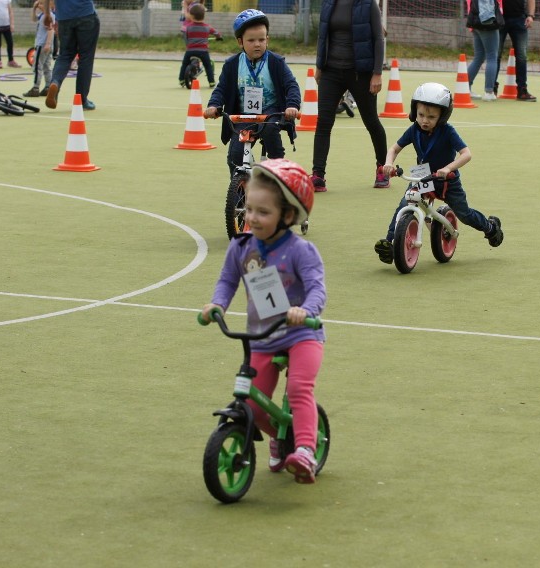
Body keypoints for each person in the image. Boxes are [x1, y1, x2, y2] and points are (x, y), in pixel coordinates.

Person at [200, 159, 326, 484]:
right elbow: (228, 280)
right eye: (249, 209)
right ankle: (279, 437)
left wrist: (307, 311)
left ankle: (307, 451)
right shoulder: (241, 247)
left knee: (299, 388)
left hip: (301, 335)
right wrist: (217, 304)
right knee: (254, 407)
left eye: (263, 212)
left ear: (288, 215)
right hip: (262, 336)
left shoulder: (302, 251)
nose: (252, 218)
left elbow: (316, 289)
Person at [373, 83, 504, 264]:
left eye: (431, 117)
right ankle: (390, 243)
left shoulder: (448, 132)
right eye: (420, 115)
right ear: (414, 111)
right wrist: (388, 163)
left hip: (447, 180)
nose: (425, 120)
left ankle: (490, 227)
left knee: (464, 214)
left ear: (442, 116)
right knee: (405, 204)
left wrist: (448, 168)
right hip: (424, 176)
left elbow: (466, 154)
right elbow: (394, 148)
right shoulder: (414, 130)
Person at [205, 9, 301, 222]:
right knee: (235, 155)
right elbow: (221, 89)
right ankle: (240, 196)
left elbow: (291, 85)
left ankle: (279, 173)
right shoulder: (232, 65)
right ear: (240, 42)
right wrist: (213, 105)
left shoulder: (276, 62)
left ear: (268, 39)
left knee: (269, 128)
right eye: (251, 40)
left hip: (271, 112)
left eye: (261, 39)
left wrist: (292, 105)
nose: (257, 44)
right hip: (244, 116)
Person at [311, 0, 390, 192]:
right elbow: (323, 35)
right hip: (331, 72)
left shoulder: (368, 4)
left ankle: (383, 168)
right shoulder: (329, 3)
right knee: (323, 123)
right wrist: (320, 66)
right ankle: (318, 175)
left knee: (371, 121)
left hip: (360, 74)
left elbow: (378, 38)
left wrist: (377, 73)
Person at [42, 0, 100, 111]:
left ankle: (55, 82)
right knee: (86, 58)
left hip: (64, 18)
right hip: (86, 13)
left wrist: (47, 14)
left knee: (65, 55)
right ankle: (81, 100)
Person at [493, 0, 536, 101]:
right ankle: (491, 89)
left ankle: (522, 90)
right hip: (499, 18)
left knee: (522, 56)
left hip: (519, 19)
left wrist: (530, 15)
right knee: (495, 55)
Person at [178, 3, 222, 88]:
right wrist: (219, 37)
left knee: (184, 64)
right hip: (203, 51)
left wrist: (188, 45)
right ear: (204, 15)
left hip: (190, 51)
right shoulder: (207, 27)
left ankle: (181, 80)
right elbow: (216, 33)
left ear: (191, 16)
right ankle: (211, 82)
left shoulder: (188, 27)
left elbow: (186, 38)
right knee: (208, 65)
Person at [466, 0, 502, 101]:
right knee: (492, 57)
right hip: (487, 23)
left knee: (479, 58)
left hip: (475, 22)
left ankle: (465, 87)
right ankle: (489, 91)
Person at [24, 0, 54, 97]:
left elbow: (50, 29)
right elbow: (33, 19)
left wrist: (48, 43)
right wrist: (34, 9)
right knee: (46, 66)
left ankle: (35, 88)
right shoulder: (42, 15)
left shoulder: (47, 16)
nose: (39, 5)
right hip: (45, 45)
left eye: (41, 3)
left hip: (42, 45)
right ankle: (48, 86)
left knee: (38, 66)